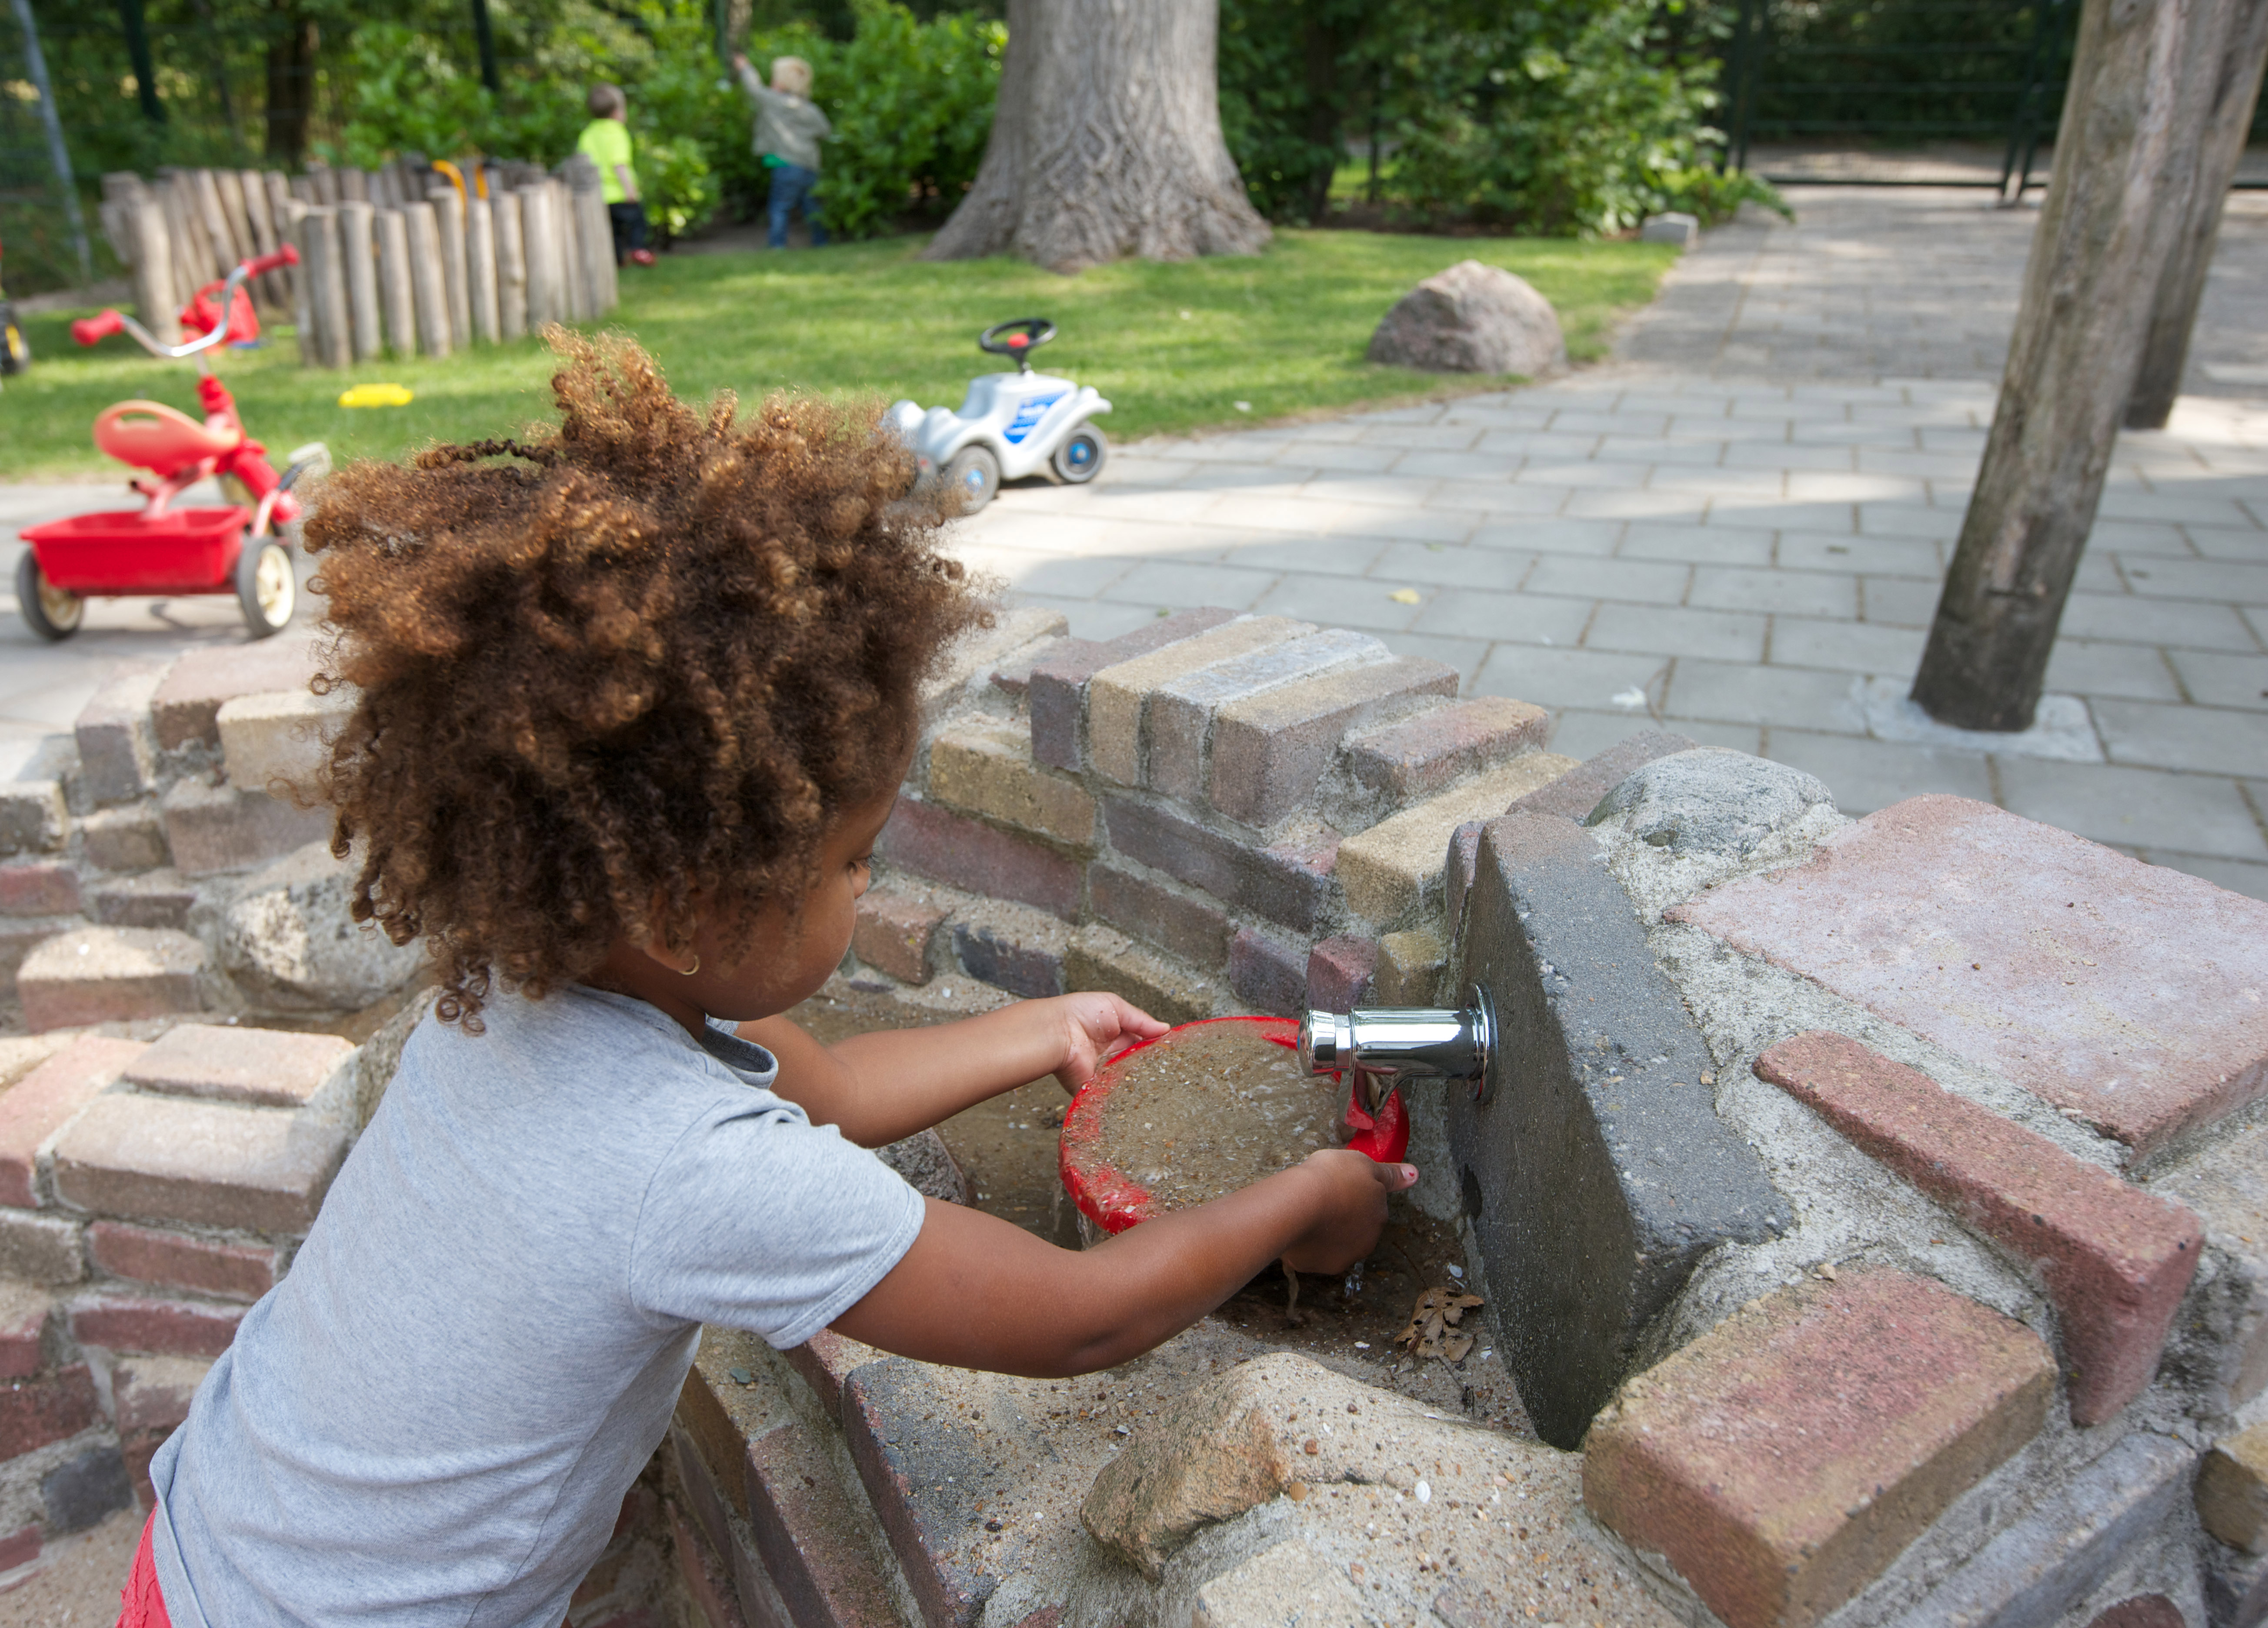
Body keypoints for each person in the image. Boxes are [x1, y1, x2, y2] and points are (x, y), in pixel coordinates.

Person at [112, 334, 1414, 1628]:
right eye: (852, 860)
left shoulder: (536, 989)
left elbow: (833, 1091)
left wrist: (1040, 1028)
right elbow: (1077, 1318)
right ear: (684, 910)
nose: (871, 889)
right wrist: (1313, 1190)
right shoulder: (688, 1169)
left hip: (208, 1546)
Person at [733, 52, 831, 249]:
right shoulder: (808, 108)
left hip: (787, 163)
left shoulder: (774, 102)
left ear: (781, 83)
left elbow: (754, 89)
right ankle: (821, 241)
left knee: (779, 207)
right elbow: (825, 131)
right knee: (811, 206)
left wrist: (745, 68)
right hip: (810, 164)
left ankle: (777, 245)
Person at [578, 83, 658, 267]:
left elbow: (582, 163)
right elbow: (619, 165)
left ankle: (618, 260)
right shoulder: (617, 132)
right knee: (638, 222)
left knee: (612, 231)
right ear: (616, 112)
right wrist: (630, 189)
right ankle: (638, 249)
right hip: (620, 193)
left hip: (598, 195)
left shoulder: (588, 134)